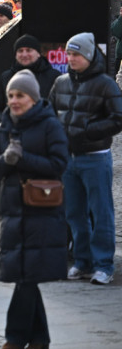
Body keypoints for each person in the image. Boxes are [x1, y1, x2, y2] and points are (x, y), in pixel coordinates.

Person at [0, 70, 69, 349]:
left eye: (20, 95)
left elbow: (58, 165)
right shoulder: (5, 125)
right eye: (10, 96)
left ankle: (15, 338)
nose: (14, 101)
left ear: (33, 98)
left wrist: (24, 158)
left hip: (41, 211)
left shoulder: (49, 124)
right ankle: (40, 340)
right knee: (25, 276)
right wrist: (8, 159)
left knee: (27, 278)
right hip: (13, 212)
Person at [47, 32, 122, 285]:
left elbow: (118, 118)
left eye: (76, 54)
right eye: (69, 53)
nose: (71, 58)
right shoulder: (61, 83)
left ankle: (103, 265)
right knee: (74, 213)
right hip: (68, 159)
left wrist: (89, 132)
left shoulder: (106, 84)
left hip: (95, 158)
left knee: (101, 213)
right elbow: (50, 113)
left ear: (89, 55)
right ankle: (82, 261)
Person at [0, 35, 60, 114]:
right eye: (20, 51)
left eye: (29, 50)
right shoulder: (5, 77)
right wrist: (6, 123)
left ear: (38, 54)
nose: (24, 54)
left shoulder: (54, 77)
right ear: (15, 55)